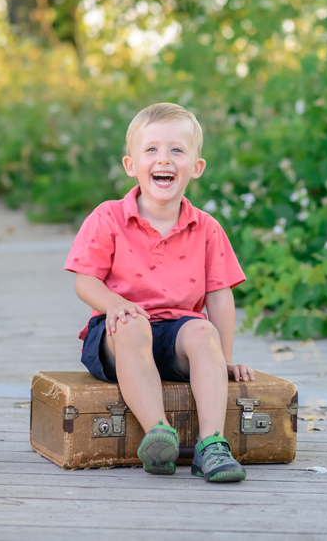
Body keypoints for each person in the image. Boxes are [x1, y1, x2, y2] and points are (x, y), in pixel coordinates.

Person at [65, 103, 254, 483]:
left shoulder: (207, 229)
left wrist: (224, 359)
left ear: (196, 168)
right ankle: (158, 432)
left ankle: (211, 445)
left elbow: (219, 297)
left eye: (176, 150)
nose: (163, 159)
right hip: (118, 335)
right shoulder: (108, 217)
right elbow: (84, 280)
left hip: (176, 335)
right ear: (130, 164)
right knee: (133, 323)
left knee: (202, 331)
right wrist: (115, 304)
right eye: (151, 149)